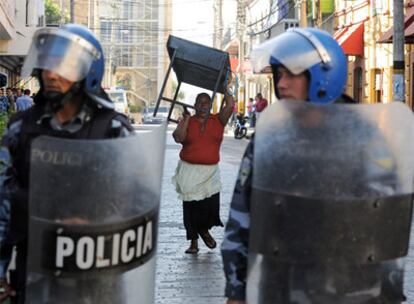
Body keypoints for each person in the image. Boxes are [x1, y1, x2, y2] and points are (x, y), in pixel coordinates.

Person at [0, 24, 133, 303]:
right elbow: (3, 202)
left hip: (95, 273)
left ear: (88, 72)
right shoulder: (21, 129)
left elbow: (135, 203)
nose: (50, 73)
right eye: (47, 64)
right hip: (36, 272)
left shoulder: (114, 131)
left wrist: (92, 224)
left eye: (63, 65)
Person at [221, 28, 355, 303]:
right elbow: (242, 217)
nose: (281, 84)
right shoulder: (270, 139)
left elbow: (385, 222)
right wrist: (236, 290)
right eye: (279, 75)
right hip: (279, 286)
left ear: (323, 75)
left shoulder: (363, 139)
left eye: (292, 74)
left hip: (348, 289)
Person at [172, 92, 234, 254]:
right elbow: (178, 138)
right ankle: (194, 243)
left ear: (211, 105)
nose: (203, 106)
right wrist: (185, 121)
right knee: (191, 207)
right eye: (200, 102)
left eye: (206, 103)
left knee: (210, 206)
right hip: (189, 171)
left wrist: (224, 86)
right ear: (195, 105)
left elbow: (230, 104)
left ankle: (204, 230)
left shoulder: (218, 120)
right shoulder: (188, 121)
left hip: (211, 172)